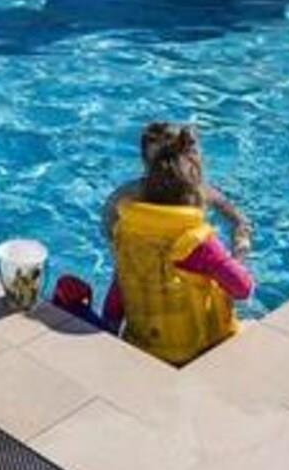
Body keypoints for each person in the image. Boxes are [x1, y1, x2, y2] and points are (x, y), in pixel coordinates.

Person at [100, 122, 254, 366]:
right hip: (200, 349)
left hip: (145, 344)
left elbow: (115, 300)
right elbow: (243, 289)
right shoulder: (199, 244)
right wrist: (239, 255)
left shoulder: (125, 224)